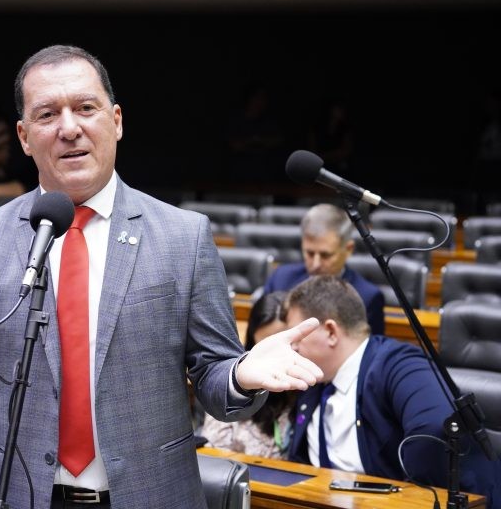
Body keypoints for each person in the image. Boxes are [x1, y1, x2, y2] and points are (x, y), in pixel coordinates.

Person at [0, 45, 323, 509]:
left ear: (116, 121)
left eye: (85, 108)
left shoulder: (182, 236)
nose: (69, 128)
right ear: (24, 136)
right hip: (22, 495)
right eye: (47, 115)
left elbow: (215, 381)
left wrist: (239, 373)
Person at [285, 275, 501, 507]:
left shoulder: (399, 365)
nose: (293, 347)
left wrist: (400, 496)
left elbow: (434, 430)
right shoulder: (315, 379)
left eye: (298, 337)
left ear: (330, 332)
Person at [261, 203, 385, 335]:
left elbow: (369, 352)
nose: (316, 264)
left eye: (325, 255)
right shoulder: (281, 279)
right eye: (309, 253)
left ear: (348, 249)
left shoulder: (368, 297)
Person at [201, 291, 296, 459]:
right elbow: (212, 451)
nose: (276, 358)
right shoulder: (237, 381)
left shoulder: (313, 391)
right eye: (266, 346)